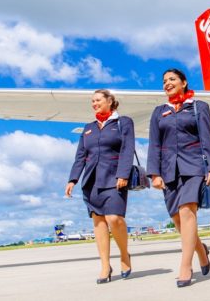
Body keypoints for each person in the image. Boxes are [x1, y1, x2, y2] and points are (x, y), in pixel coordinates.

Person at [147, 68, 210, 288]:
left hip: (193, 166)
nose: (167, 83)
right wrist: (154, 173)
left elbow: (206, 139)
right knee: (177, 220)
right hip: (168, 170)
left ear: (184, 82)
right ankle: (201, 251)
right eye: (164, 80)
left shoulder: (198, 107)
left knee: (187, 212)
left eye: (172, 79)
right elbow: (154, 144)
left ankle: (185, 267)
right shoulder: (159, 112)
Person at [66, 89, 134, 284]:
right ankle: (105, 265)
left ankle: (124, 255)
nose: (94, 104)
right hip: (91, 181)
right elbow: (80, 156)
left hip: (114, 178)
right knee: (99, 223)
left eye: (97, 100)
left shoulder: (123, 122)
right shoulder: (89, 128)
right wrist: (73, 180)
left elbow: (128, 149)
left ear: (110, 101)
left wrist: (123, 173)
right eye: (92, 101)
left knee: (115, 218)